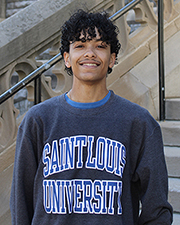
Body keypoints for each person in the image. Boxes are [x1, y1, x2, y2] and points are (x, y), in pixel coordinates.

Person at [10, 9, 173, 225]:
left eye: (100, 46)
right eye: (80, 45)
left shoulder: (139, 123)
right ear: (67, 59)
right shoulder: (38, 120)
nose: (90, 53)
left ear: (112, 59)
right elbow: (21, 202)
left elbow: (157, 210)